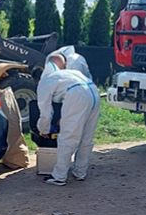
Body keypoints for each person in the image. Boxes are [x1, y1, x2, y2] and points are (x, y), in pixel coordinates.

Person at [32, 54, 101, 186]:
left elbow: (45, 112)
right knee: (86, 137)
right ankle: (80, 172)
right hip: (94, 93)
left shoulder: (45, 82)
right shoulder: (69, 73)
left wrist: (44, 129)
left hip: (77, 96)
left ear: (37, 80)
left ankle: (59, 176)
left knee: (68, 138)